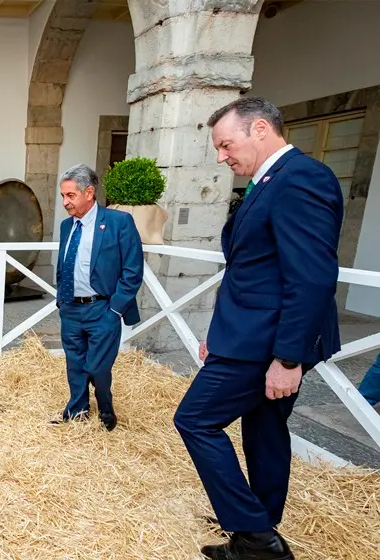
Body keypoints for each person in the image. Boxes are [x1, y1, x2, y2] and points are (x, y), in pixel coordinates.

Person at [175, 97, 343, 560]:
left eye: (227, 144)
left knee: (194, 420)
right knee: (265, 429)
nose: (222, 156)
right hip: (250, 334)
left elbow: (310, 277)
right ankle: (259, 522)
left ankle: (254, 535)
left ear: (261, 130)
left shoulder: (301, 179)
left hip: (267, 343)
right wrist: (219, 331)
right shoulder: (268, 182)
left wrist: (288, 358)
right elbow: (252, 270)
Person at [52, 164, 144, 431]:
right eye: (63, 196)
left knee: (97, 367)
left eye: (70, 195)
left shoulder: (118, 222)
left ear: (89, 192)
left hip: (103, 309)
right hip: (71, 308)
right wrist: (61, 300)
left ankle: (105, 408)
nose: (65, 202)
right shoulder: (66, 226)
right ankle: (77, 410)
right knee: (75, 364)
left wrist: (115, 309)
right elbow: (63, 264)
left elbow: (133, 269)